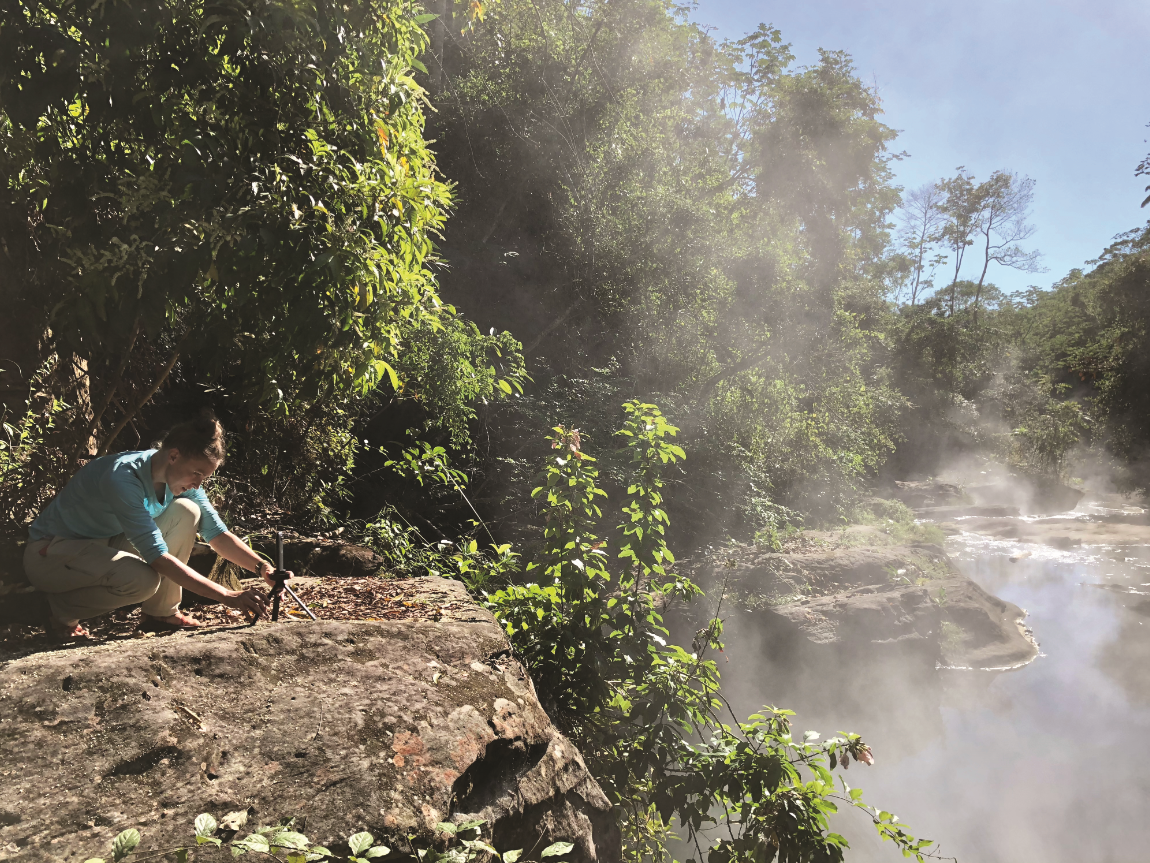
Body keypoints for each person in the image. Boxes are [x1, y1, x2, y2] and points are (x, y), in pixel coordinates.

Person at [23, 411, 287, 639]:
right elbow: (157, 557)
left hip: (101, 546)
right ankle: (58, 611)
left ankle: (160, 614)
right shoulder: (123, 478)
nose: (198, 483)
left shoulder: (180, 480)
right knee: (141, 581)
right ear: (173, 456)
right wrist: (227, 596)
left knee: (186, 510)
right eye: (197, 473)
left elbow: (216, 533)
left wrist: (263, 568)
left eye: (204, 477)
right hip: (51, 555)